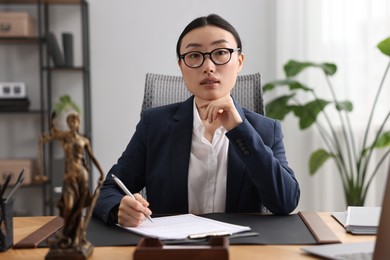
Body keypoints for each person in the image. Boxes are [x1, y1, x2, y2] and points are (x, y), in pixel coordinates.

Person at [94, 14, 300, 227]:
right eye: (194, 55)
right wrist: (119, 207)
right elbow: (108, 190)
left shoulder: (265, 130)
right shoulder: (154, 125)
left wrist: (239, 129)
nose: (208, 66)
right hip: (172, 250)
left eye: (220, 53)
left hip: (240, 250)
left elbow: (285, 201)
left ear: (239, 62)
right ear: (181, 66)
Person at [40, 112, 104, 249]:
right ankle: (67, 235)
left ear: (78, 123)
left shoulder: (84, 140)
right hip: (69, 176)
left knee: (79, 208)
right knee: (69, 206)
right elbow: (54, 132)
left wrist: (101, 172)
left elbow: (92, 157)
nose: (72, 123)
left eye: (75, 121)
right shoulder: (65, 137)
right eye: (70, 121)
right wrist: (52, 121)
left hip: (82, 175)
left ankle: (76, 237)